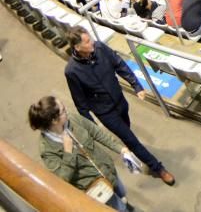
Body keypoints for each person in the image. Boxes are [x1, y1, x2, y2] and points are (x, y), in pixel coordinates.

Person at [63, 27, 175, 185]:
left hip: (120, 101)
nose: (92, 42)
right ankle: (157, 168)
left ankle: (131, 144)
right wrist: (92, 128)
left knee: (127, 131)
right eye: (88, 41)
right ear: (77, 47)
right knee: (131, 140)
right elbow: (81, 104)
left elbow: (119, 64)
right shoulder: (72, 71)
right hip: (105, 112)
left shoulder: (100, 48)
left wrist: (136, 85)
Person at [28, 95, 134, 210]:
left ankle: (125, 203)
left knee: (121, 193)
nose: (67, 110)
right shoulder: (47, 149)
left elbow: (96, 132)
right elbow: (62, 179)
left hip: (107, 169)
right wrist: (68, 152)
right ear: (54, 120)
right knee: (119, 208)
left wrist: (120, 148)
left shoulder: (72, 119)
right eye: (63, 111)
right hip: (96, 186)